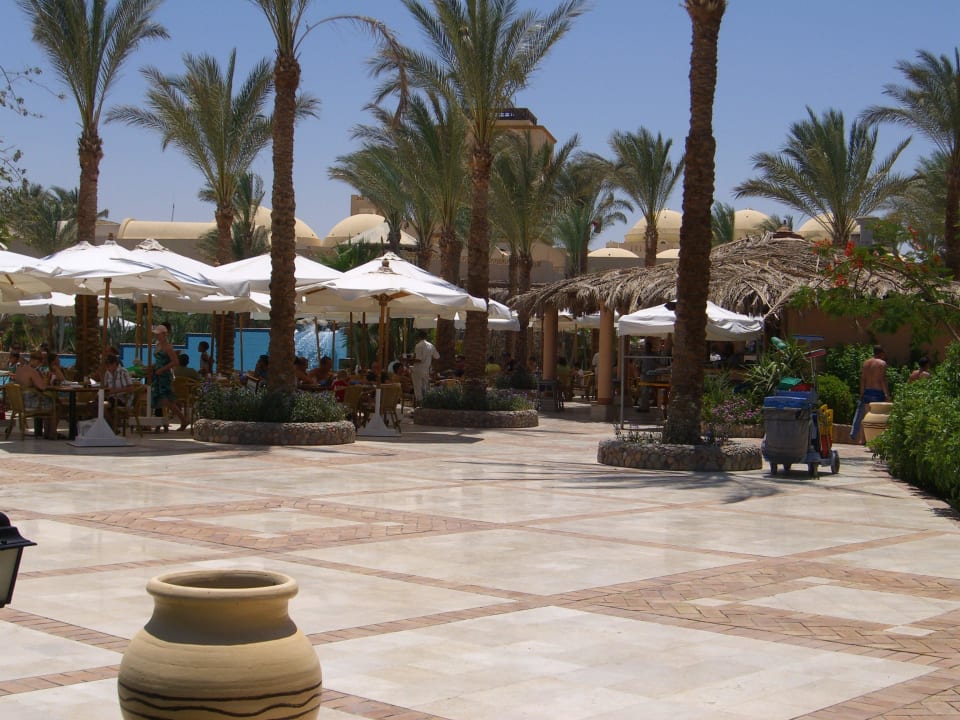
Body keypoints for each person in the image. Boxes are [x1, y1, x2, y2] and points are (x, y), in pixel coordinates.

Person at [150, 323, 187, 431]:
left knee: (167, 400)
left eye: (158, 334)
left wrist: (162, 369)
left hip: (164, 376)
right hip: (157, 375)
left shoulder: (168, 347)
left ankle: (183, 419)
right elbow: (159, 360)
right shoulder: (158, 345)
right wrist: (152, 367)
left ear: (164, 334)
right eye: (156, 334)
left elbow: (175, 362)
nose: (156, 336)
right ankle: (162, 423)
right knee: (159, 399)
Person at [13, 350, 59, 438]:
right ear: (37, 361)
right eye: (39, 363)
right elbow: (43, 387)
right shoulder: (32, 372)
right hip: (30, 404)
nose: (39, 366)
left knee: (50, 401)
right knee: (56, 404)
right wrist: (46, 380)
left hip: (20, 402)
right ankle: (51, 433)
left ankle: (47, 432)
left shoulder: (19, 369)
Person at [850, 345, 889, 444]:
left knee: (865, 416)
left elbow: (863, 379)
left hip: (867, 391)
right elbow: (882, 380)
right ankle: (873, 440)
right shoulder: (882, 363)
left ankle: (862, 439)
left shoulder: (866, 363)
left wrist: (862, 392)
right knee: (877, 417)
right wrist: (886, 394)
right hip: (878, 392)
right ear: (881, 353)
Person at [102, 353, 137, 429]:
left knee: (102, 406)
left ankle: (111, 427)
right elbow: (105, 387)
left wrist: (115, 391)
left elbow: (131, 388)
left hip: (122, 399)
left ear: (115, 364)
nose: (107, 368)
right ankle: (106, 427)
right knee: (94, 404)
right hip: (111, 398)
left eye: (109, 366)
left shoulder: (123, 372)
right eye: (106, 366)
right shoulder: (107, 373)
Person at [411, 330, 439, 404]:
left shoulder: (418, 345)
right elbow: (437, 357)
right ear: (426, 337)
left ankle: (419, 406)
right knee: (425, 388)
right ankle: (426, 404)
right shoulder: (431, 345)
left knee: (418, 388)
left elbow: (419, 359)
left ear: (419, 337)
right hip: (426, 370)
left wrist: (409, 360)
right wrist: (430, 362)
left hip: (418, 369)